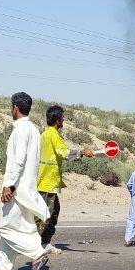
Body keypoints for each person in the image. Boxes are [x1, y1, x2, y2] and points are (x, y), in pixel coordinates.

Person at [0, 92, 50, 270]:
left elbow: (18, 161)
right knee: (18, 228)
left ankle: (37, 254)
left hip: (17, 189)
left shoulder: (21, 130)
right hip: (27, 188)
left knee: (4, 227)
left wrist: (9, 185)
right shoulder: (34, 130)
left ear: (15, 108)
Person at [37, 105, 94, 255]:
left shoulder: (45, 134)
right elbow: (63, 152)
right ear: (57, 119)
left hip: (47, 181)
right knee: (45, 215)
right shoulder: (53, 134)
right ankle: (35, 246)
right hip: (47, 182)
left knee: (53, 211)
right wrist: (81, 152)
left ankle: (44, 243)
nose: (64, 119)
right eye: (62, 117)